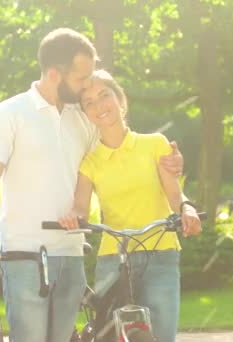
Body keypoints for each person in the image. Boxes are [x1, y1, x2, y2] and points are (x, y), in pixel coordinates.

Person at [0, 28, 184, 341]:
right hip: (24, 252)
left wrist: (170, 162)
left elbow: (122, 151)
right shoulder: (9, 114)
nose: (89, 84)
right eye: (83, 77)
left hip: (72, 253)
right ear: (56, 74)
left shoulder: (81, 117)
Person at [58, 69, 202, 342]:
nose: (99, 105)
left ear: (120, 99)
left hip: (160, 254)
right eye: (89, 102)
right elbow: (81, 207)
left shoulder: (155, 145)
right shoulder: (89, 161)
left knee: (161, 336)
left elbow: (175, 195)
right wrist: (72, 218)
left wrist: (187, 209)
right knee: (107, 336)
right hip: (113, 259)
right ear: (85, 113)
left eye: (104, 95)